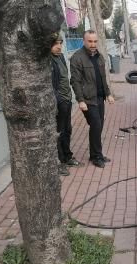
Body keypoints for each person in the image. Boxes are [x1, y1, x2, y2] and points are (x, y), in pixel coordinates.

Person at [70, 30, 115, 168]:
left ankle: (96, 154)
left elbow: (103, 78)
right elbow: (75, 81)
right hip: (88, 99)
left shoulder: (99, 56)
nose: (93, 44)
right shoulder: (77, 57)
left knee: (98, 126)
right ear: (84, 41)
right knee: (95, 125)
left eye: (95, 41)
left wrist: (108, 93)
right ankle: (96, 157)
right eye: (90, 41)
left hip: (100, 98)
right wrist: (80, 100)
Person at [50, 34, 81, 176]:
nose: (58, 46)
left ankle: (67, 156)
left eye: (60, 43)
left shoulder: (60, 57)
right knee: (60, 131)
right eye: (55, 44)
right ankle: (60, 161)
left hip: (67, 99)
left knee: (67, 129)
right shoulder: (48, 61)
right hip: (59, 101)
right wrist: (56, 100)